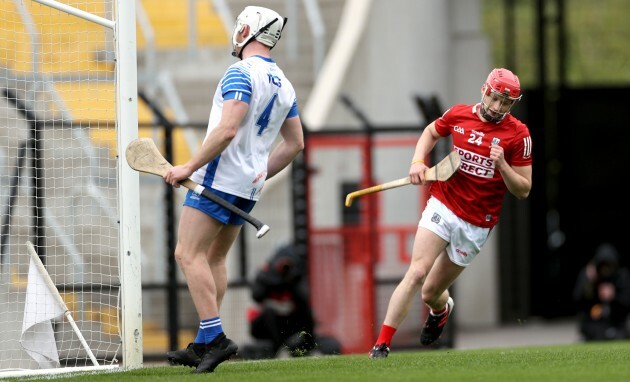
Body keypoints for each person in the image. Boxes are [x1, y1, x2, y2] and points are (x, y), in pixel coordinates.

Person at [162, 6, 304, 373]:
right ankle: (204, 342)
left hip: (218, 178)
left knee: (187, 254)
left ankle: (217, 338)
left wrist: (188, 167)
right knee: (214, 259)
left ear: (250, 31)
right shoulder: (284, 83)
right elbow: (295, 144)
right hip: (247, 184)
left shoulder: (240, 72)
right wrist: (258, 174)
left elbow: (226, 130)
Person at [369, 68, 533, 358]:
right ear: (484, 90)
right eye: (494, 98)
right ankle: (381, 345)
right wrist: (418, 161)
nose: (497, 107)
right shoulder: (458, 115)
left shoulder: (518, 135)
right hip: (443, 204)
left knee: (430, 292)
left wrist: (503, 166)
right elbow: (431, 131)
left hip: (476, 224)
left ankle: (440, 309)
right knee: (417, 271)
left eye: (505, 103)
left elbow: (523, 189)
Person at [246, 244, 316, 357]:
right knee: (269, 312)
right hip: (266, 325)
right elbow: (256, 296)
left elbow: (304, 299)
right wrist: (273, 280)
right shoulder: (265, 273)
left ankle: (308, 345)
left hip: (289, 322)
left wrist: (291, 281)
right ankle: (276, 348)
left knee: (307, 311)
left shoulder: (297, 276)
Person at [573, 243, 630, 341]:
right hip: (593, 325)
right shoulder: (589, 276)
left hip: (616, 324)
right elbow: (577, 301)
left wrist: (614, 295)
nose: (605, 271)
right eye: (602, 267)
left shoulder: (621, 276)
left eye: (608, 267)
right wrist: (589, 283)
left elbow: (627, 303)